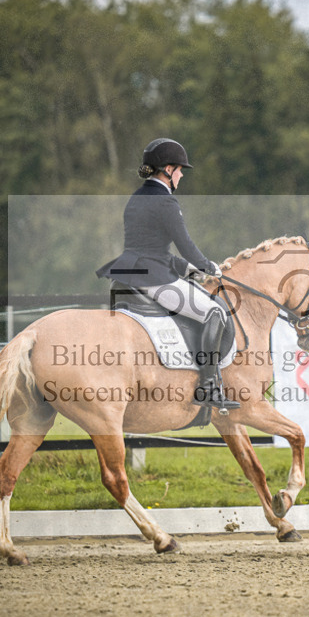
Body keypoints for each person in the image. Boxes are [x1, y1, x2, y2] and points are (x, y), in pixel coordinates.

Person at [96, 138, 240, 412]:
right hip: (154, 279)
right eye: (180, 169)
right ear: (168, 169)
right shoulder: (166, 201)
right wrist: (207, 265)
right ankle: (208, 386)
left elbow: (148, 246)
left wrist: (185, 268)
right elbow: (185, 245)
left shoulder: (136, 198)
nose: (183, 174)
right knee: (215, 313)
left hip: (129, 273)